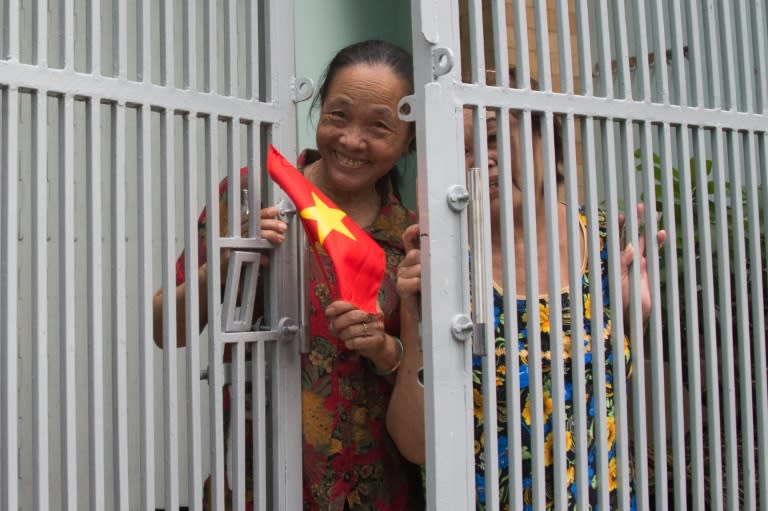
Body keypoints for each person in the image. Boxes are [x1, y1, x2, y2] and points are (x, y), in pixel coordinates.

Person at [152, 39, 424, 510]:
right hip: (265, 476)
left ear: (409, 140)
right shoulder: (255, 193)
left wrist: (385, 351)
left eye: (378, 127)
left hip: (377, 487)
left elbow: (429, 377)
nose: (351, 141)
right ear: (317, 110)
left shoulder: (413, 236)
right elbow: (164, 329)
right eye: (338, 115)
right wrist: (223, 264)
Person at [386, 68, 666, 510]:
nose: (479, 161)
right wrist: (419, 323)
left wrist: (636, 318)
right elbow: (415, 445)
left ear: (544, 140)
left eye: (492, 138)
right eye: (455, 152)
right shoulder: (440, 266)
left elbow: (604, 399)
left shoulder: (605, 241)